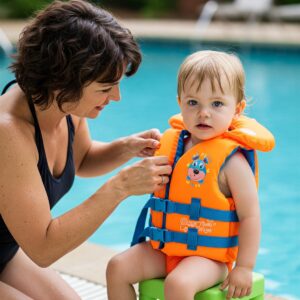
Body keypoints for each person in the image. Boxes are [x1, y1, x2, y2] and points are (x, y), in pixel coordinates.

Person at [0, 0, 173, 299]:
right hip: (27, 247)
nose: (116, 97)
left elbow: (82, 159)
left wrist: (128, 147)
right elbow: (44, 248)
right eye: (105, 88)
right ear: (63, 80)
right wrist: (120, 187)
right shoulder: (8, 132)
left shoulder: (64, 106)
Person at [106, 50, 275, 300]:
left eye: (216, 104)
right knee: (117, 267)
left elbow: (250, 216)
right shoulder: (171, 145)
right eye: (193, 102)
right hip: (165, 248)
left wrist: (244, 267)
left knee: (178, 284)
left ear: (237, 109)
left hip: (209, 258)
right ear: (180, 103)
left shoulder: (233, 162)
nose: (203, 113)